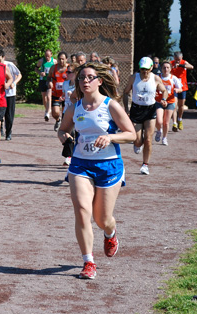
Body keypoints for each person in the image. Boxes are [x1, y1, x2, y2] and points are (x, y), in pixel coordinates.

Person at [57, 63, 136, 280]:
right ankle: (88, 261)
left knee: (102, 219)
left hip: (109, 165)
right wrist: (64, 136)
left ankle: (110, 233)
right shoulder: (74, 108)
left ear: (99, 81)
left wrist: (110, 137)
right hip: (80, 165)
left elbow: (131, 135)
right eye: (82, 78)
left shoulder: (111, 106)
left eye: (90, 77)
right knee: (82, 210)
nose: (85, 81)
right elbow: (63, 129)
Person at [122, 57, 167, 175]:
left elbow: (164, 90)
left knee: (148, 139)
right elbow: (125, 93)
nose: (145, 71)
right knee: (137, 141)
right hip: (136, 110)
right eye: (142, 69)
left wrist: (163, 99)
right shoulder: (133, 78)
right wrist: (126, 109)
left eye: (147, 69)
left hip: (150, 110)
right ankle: (137, 145)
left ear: (151, 67)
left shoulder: (156, 78)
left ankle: (145, 165)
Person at [154, 61, 182, 146]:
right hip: (159, 101)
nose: (166, 69)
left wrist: (177, 90)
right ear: (161, 69)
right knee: (159, 121)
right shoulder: (157, 77)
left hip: (170, 102)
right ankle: (159, 131)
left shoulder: (173, 78)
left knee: (166, 122)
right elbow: (152, 87)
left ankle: (164, 138)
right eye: (164, 68)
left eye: (167, 67)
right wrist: (154, 92)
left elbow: (180, 88)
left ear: (170, 69)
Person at [0, 49, 22, 140]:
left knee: (9, 115)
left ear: (4, 58)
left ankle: (9, 132)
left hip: (10, 94)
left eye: (0, 60)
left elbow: (19, 75)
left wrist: (14, 83)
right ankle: (0, 129)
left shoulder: (10, 65)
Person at [60, 62, 79, 166]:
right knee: (66, 134)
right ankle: (69, 156)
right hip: (66, 112)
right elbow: (63, 96)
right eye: (67, 71)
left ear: (76, 73)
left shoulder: (79, 85)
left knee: (76, 135)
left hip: (76, 112)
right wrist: (62, 98)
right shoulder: (65, 83)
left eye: (70, 72)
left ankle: (72, 155)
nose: (67, 73)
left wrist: (74, 96)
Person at [170, 51, 194, 131]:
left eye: (179, 59)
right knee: (174, 105)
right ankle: (174, 123)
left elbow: (191, 67)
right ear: (174, 58)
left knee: (181, 105)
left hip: (183, 87)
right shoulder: (171, 63)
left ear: (181, 58)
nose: (177, 61)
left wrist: (180, 65)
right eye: (176, 59)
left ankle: (179, 119)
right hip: (174, 87)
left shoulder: (184, 63)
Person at [47, 51, 69, 131]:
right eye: (60, 59)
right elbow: (49, 77)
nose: (61, 61)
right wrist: (49, 82)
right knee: (55, 113)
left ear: (66, 59)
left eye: (63, 59)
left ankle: (64, 128)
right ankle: (58, 120)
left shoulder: (69, 68)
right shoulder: (53, 68)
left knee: (65, 113)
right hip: (56, 94)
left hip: (66, 95)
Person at [35, 49, 56, 121]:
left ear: (51, 55)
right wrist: (40, 73)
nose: (47, 57)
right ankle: (47, 109)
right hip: (42, 80)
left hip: (50, 81)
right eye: (45, 56)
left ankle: (48, 112)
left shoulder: (54, 61)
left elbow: (56, 70)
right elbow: (36, 68)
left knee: (48, 96)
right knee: (44, 98)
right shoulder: (41, 61)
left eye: (48, 56)